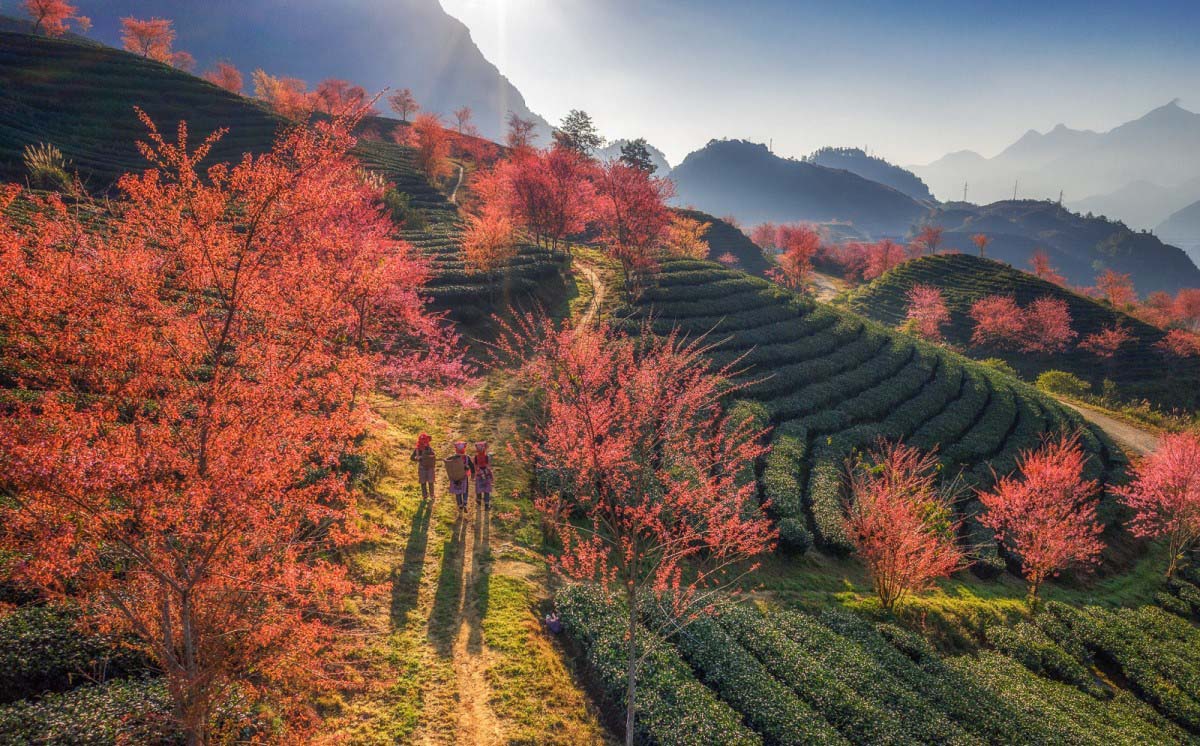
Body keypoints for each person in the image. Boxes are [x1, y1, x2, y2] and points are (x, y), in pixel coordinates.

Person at [446, 441, 475, 515]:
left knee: (457, 491)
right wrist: (472, 475)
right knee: (465, 490)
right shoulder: (467, 458)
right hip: (464, 477)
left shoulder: (453, 457)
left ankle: (460, 505)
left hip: (455, 478)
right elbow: (472, 466)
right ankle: (465, 503)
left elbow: (449, 466)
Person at [410, 433, 437, 500]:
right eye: (423, 440)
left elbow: (433, 456)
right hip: (422, 467)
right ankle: (425, 496)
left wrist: (431, 456)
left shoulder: (429, 448)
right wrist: (417, 458)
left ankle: (432, 495)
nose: (425, 442)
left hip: (430, 467)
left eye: (425, 441)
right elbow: (412, 458)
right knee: (423, 482)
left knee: (431, 482)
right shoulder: (417, 449)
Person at [473, 441, 494, 510]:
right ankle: (486, 505)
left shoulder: (476, 457)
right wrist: (491, 476)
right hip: (486, 474)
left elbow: (475, 466)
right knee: (486, 490)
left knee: (479, 489)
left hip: (479, 475)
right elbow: (489, 466)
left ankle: (478, 501)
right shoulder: (487, 456)